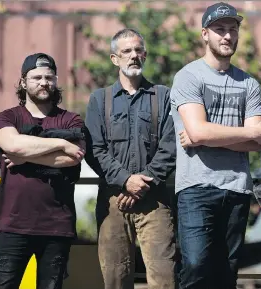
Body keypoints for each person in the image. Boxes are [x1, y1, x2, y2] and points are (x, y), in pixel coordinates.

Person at [169, 2, 261, 289]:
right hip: (196, 188)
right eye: (219, 30)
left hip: (237, 188)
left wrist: (209, 136)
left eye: (232, 30)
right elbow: (199, 132)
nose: (227, 36)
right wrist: (241, 133)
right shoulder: (189, 76)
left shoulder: (248, 83)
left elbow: (260, 139)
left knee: (226, 273)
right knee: (195, 266)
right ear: (205, 34)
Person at [85, 28, 177, 289]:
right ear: (115, 59)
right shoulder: (99, 100)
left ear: (145, 55)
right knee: (115, 278)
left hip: (155, 200)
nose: (133, 56)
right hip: (113, 201)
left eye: (138, 50)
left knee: (164, 279)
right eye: (126, 51)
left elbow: (171, 146)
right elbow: (95, 150)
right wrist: (126, 181)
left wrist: (141, 185)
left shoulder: (164, 96)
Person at [0, 53, 86, 289]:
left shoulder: (71, 120)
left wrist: (24, 156)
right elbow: (12, 145)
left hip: (57, 226)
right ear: (23, 82)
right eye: (37, 77)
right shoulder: (7, 117)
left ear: (56, 81)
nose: (44, 82)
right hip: (12, 225)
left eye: (49, 77)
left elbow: (74, 158)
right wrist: (61, 143)